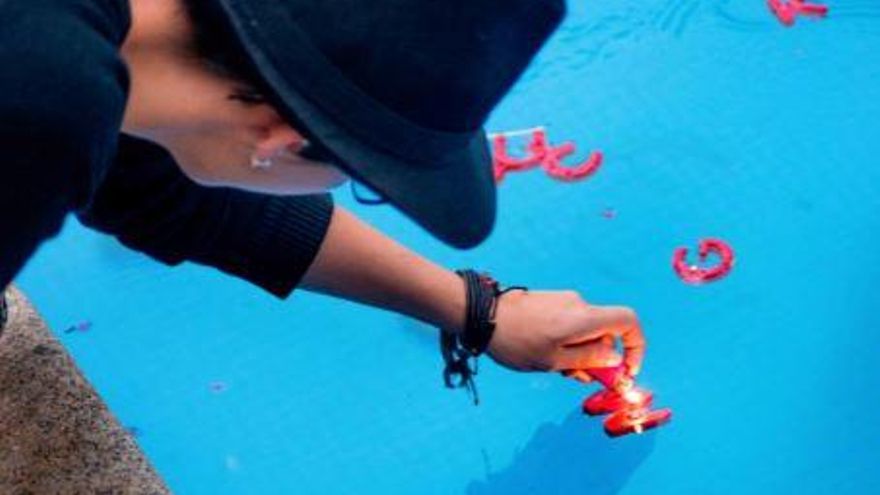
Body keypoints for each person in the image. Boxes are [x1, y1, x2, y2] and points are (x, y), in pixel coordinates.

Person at [0, 0, 645, 401]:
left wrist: (480, 312)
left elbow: (161, 192)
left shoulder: (111, 51)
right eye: (362, 175)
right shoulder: (38, 110)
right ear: (282, 137)